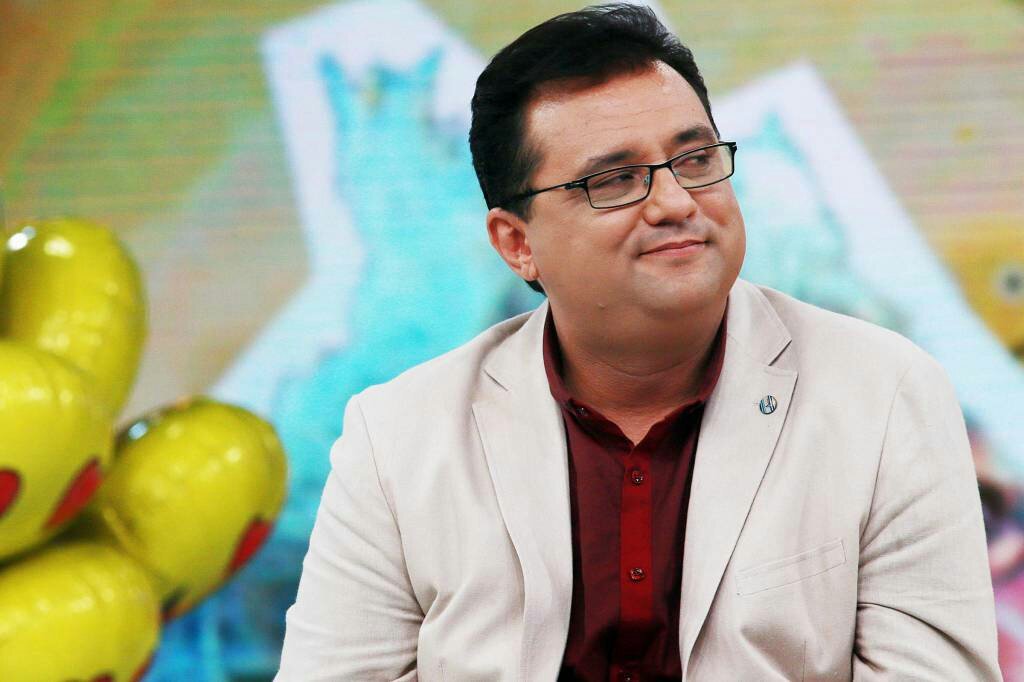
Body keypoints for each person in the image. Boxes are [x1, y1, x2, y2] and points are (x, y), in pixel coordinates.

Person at [276, 4, 1000, 680]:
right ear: (517, 243)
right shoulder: (397, 436)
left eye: (696, 160)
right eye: (616, 179)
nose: (676, 202)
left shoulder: (886, 395)